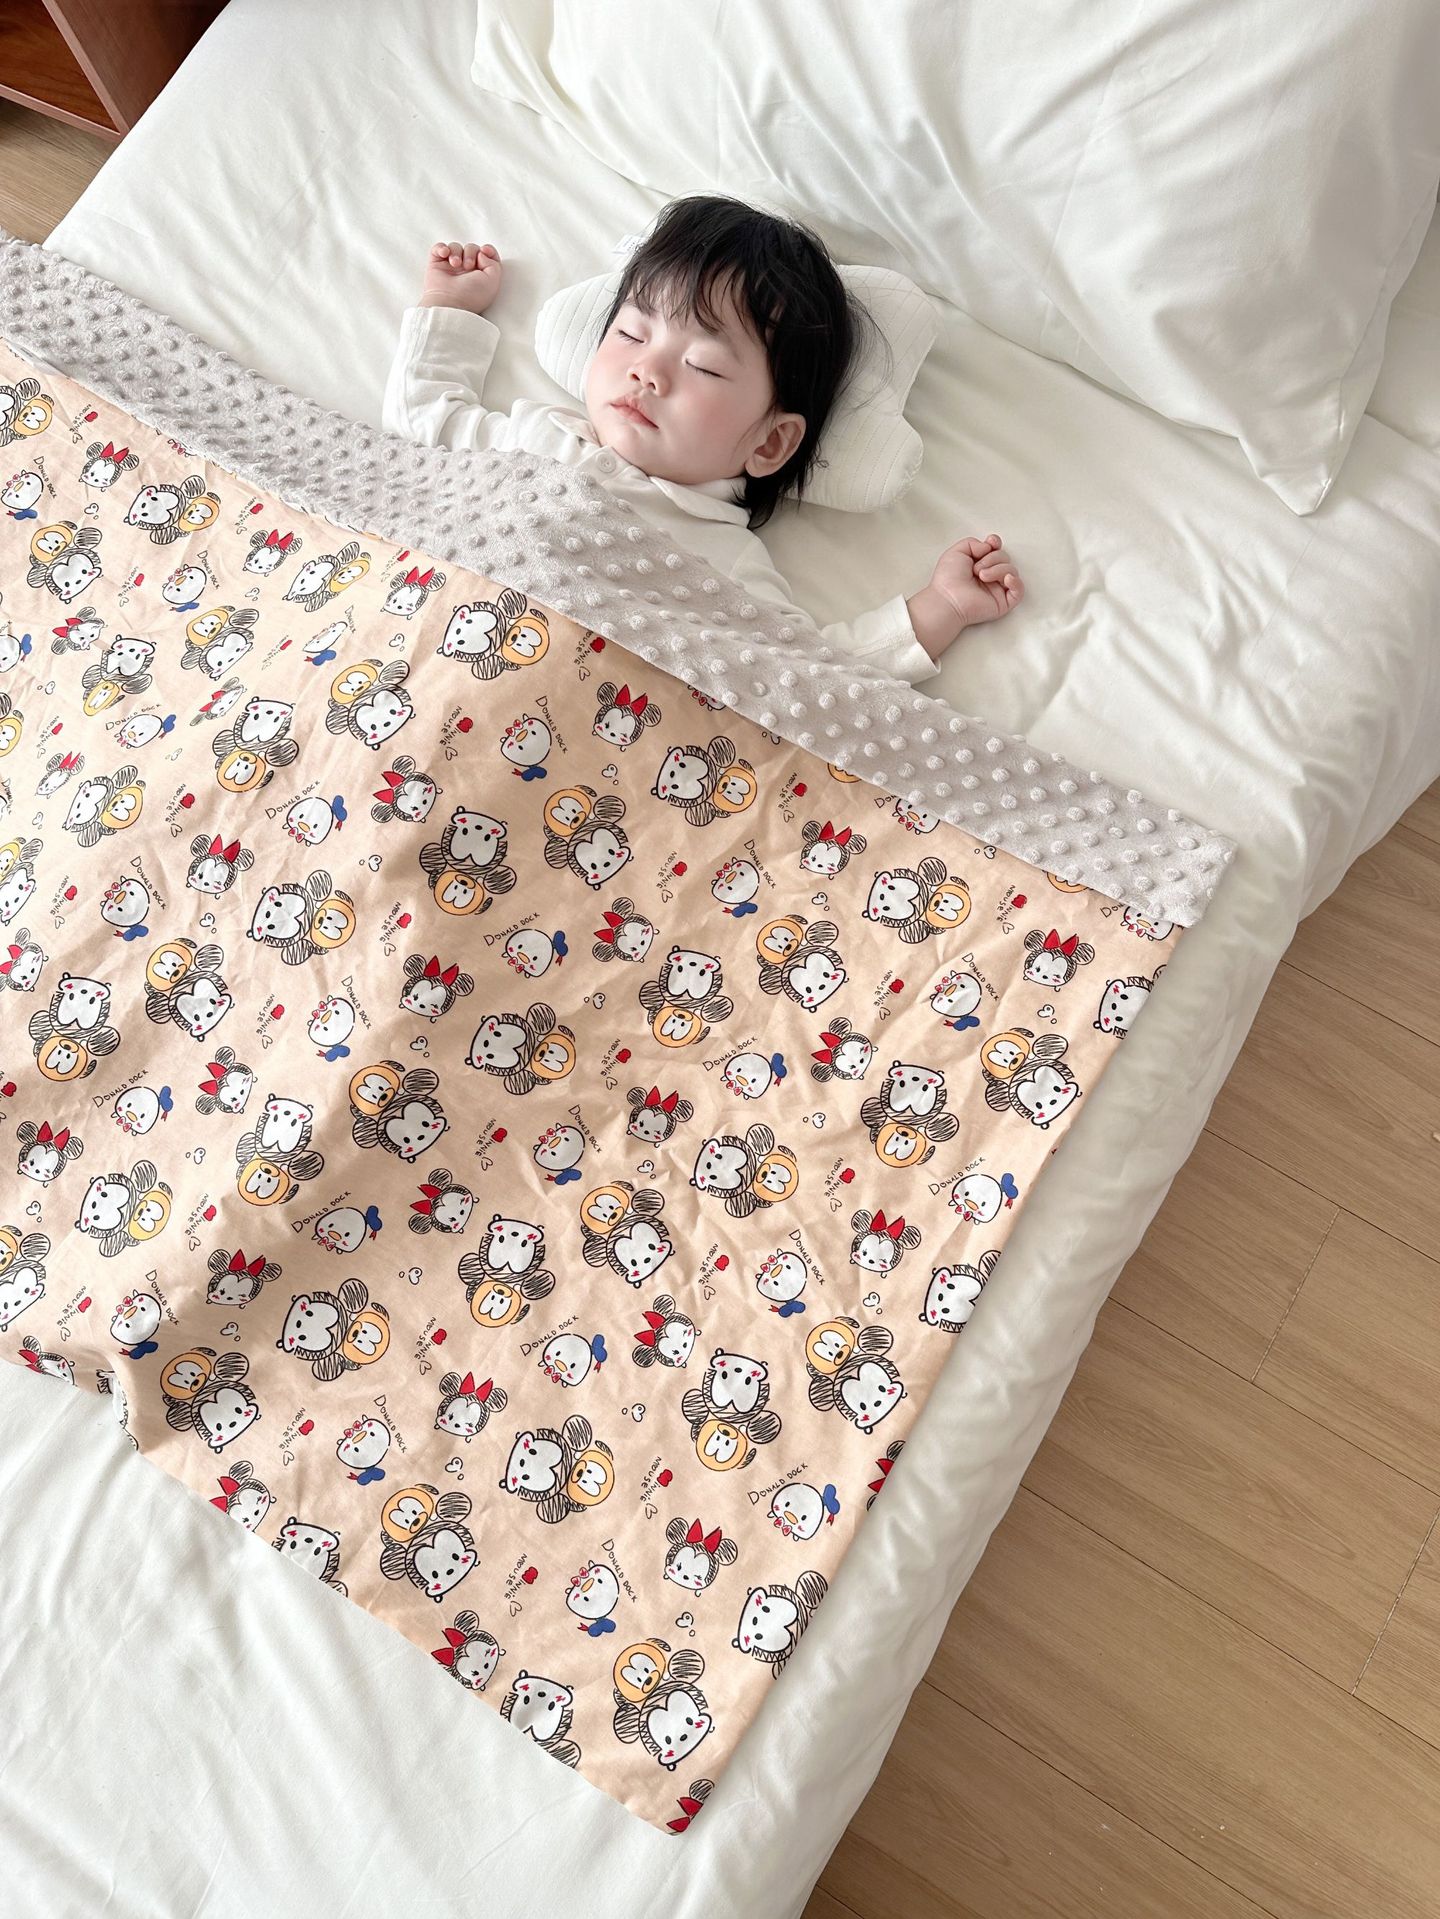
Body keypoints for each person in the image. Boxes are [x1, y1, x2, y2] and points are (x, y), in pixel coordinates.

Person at [383, 196, 1024, 685]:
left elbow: (808, 677)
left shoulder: (722, 558)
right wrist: (449, 306)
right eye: (632, 334)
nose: (647, 370)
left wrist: (941, 607)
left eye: (704, 366)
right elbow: (423, 422)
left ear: (770, 444)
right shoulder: (532, 437)